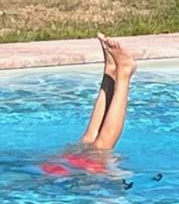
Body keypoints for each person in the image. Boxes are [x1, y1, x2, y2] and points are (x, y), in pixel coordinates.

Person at [40, 34, 136, 177]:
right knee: (101, 147)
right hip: (74, 173)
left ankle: (111, 71)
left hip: (62, 170)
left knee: (88, 139)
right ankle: (123, 72)